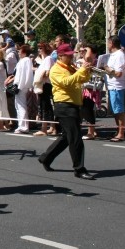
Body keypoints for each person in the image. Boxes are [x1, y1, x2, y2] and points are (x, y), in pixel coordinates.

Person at [37, 43, 95, 180]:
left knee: (67, 137)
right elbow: (66, 82)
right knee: (75, 138)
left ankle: (46, 158)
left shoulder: (70, 67)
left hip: (74, 104)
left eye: (71, 55)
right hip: (64, 105)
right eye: (68, 56)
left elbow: (82, 79)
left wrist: (87, 70)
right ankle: (79, 169)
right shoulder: (55, 69)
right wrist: (81, 71)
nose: (71, 58)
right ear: (60, 56)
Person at [103, 35, 125, 142]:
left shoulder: (119, 55)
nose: (107, 45)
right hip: (112, 86)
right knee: (115, 110)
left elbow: (118, 73)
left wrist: (107, 69)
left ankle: (121, 133)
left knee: (119, 110)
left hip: (117, 86)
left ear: (112, 43)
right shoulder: (113, 55)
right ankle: (118, 131)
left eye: (108, 43)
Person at [7, 44, 34, 133]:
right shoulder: (24, 60)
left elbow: (23, 74)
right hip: (20, 84)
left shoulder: (25, 60)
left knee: (21, 106)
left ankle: (23, 126)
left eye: (20, 51)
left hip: (21, 85)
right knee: (18, 105)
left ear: (24, 52)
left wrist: (19, 85)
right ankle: (21, 125)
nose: (18, 52)